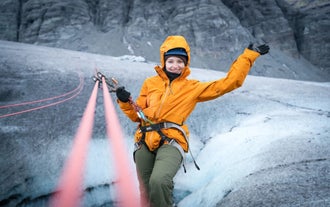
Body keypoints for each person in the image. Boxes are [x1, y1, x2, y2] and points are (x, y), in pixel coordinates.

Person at [115, 35, 269, 207]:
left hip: (171, 141)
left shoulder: (192, 88)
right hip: (144, 141)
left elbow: (229, 83)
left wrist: (248, 56)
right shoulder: (150, 83)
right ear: (164, 60)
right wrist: (124, 101)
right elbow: (137, 116)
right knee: (145, 192)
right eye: (171, 60)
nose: (175, 65)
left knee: (159, 182)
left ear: (185, 64)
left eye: (180, 61)